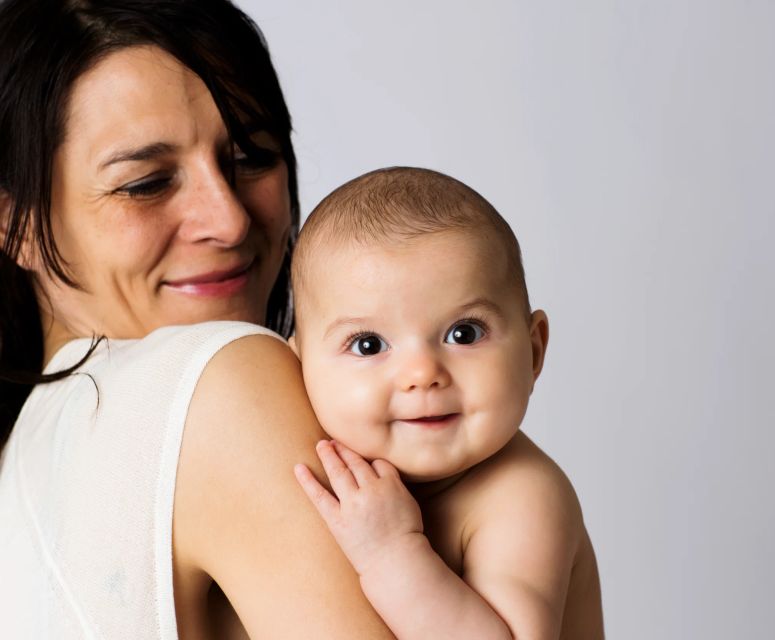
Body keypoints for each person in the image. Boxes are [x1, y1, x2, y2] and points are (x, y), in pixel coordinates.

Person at [0, 1, 395, 637]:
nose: (230, 219)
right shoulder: (226, 383)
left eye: (252, 155)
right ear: (13, 222)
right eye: (147, 183)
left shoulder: (22, 469)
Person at [289, 167, 604, 639]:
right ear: (298, 367)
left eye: (464, 333)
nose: (422, 375)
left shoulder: (523, 495)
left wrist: (392, 553)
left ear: (533, 351)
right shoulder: (322, 460)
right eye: (369, 345)